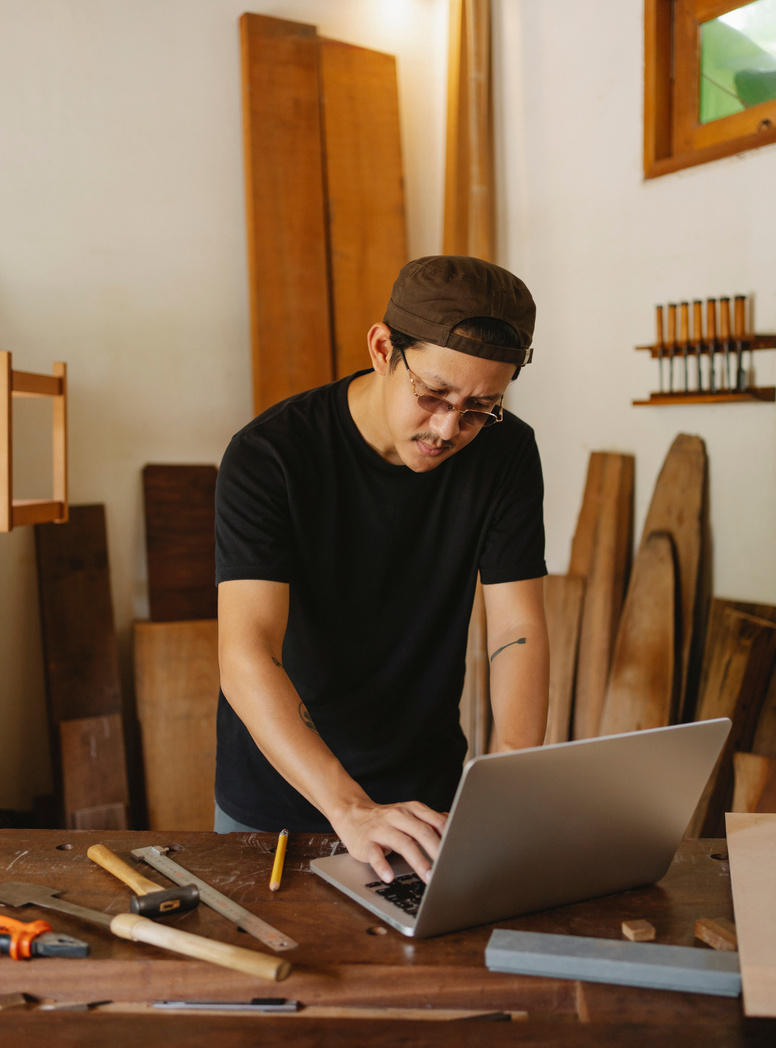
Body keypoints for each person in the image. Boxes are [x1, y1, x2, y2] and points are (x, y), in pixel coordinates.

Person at [214, 255, 549, 885]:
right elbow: (246, 653)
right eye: (433, 395)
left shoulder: (506, 452)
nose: (450, 428)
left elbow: (516, 628)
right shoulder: (270, 456)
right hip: (279, 798)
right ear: (380, 348)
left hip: (429, 800)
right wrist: (349, 808)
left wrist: (509, 781)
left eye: (481, 406)